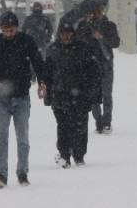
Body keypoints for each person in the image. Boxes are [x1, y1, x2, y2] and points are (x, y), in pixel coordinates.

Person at [0, 11, 48, 188]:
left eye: (11, 30)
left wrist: (42, 83)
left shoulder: (27, 41)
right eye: (5, 30)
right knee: (2, 136)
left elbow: (38, 62)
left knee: (22, 137)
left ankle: (22, 172)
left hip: (22, 97)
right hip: (1, 98)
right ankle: (1, 174)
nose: (8, 33)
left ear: (17, 27)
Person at [45, 18, 101, 168]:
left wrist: (93, 93)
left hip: (80, 95)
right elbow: (47, 74)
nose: (66, 36)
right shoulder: (53, 50)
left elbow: (93, 72)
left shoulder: (83, 49)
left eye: (69, 33)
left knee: (80, 126)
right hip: (60, 95)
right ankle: (64, 154)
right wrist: (48, 94)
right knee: (63, 126)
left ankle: (79, 154)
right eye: (63, 33)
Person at [76, 0, 121, 134]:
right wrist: (89, 35)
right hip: (90, 64)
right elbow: (78, 42)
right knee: (94, 95)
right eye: (95, 11)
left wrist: (101, 37)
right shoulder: (83, 26)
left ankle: (107, 122)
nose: (98, 13)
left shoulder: (110, 25)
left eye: (100, 11)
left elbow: (116, 43)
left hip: (106, 62)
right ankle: (98, 121)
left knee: (107, 93)